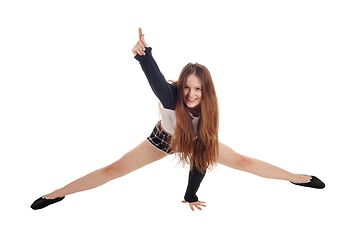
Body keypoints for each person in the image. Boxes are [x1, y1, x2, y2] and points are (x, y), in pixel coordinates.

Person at [31, 28, 325, 211]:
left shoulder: (208, 113)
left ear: (205, 90)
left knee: (245, 162)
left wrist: (190, 194)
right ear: (181, 84)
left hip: (196, 142)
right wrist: (144, 55)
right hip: (163, 140)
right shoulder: (172, 98)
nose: (191, 94)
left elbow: (201, 159)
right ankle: (56, 194)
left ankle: (298, 178)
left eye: (197, 89)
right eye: (187, 86)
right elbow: (156, 80)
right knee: (114, 169)